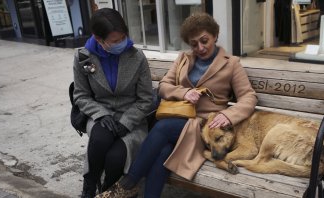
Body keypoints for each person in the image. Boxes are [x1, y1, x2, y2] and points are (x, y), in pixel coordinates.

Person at [96, 12, 258, 198]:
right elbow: (164, 86)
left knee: (163, 128)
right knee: (163, 152)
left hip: (206, 127)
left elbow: (248, 97)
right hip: (181, 120)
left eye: (205, 40)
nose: (200, 47)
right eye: (194, 44)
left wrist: (228, 115)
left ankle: (128, 183)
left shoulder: (232, 64)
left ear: (215, 35)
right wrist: (184, 92)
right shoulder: (183, 59)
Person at [72, 8, 153, 198]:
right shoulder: (83, 57)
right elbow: (81, 96)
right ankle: (89, 188)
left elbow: (146, 99)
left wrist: (126, 122)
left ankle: (107, 192)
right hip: (101, 115)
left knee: (115, 158)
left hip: (132, 118)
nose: (121, 44)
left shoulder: (137, 57)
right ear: (99, 40)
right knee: (100, 139)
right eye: (115, 41)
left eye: (123, 37)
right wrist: (101, 114)